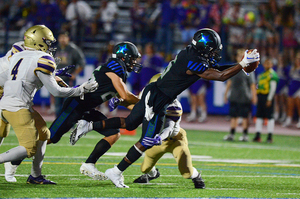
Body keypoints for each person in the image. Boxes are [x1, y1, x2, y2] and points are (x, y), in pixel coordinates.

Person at [71, 28, 260, 188]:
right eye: (211, 50)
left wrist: (240, 66)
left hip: (154, 91)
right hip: (159, 99)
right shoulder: (193, 61)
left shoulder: (193, 54)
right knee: (147, 140)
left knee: (129, 123)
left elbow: (217, 67)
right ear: (204, 49)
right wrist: (242, 64)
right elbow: (220, 76)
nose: (213, 54)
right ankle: (116, 170)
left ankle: (88, 126)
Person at [0, 25, 98, 183]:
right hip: (16, 106)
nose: (51, 46)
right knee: (28, 148)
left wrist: (52, 75)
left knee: (44, 133)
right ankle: (9, 165)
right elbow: (56, 92)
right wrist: (80, 90)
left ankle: (35, 176)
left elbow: (27, 76)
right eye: (47, 42)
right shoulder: (42, 59)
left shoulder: (18, 53)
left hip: (12, 100)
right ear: (38, 42)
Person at [47, 41, 141, 182]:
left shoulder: (118, 70)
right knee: (50, 137)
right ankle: (17, 158)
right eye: (133, 58)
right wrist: (146, 102)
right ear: (123, 57)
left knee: (113, 133)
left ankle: (89, 164)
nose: (134, 62)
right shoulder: (114, 66)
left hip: (87, 108)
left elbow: (125, 102)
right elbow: (125, 95)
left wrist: (145, 110)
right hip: (76, 105)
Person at [132, 73, 205, 189]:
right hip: (157, 139)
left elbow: (169, 128)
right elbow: (137, 103)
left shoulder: (173, 106)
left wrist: (159, 138)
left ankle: (196, 176)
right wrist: (121, 101)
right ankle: (154, 174)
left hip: (174, 139)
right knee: (144, 169)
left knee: (186, 171)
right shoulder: (148, 94)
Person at [223, 49, 257, 141]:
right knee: (233, 116)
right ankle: (232, 134)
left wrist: (254, 96)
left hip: (244, 96)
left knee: (245, 116)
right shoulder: (233, 67)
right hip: (234, 95)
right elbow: (229, 82)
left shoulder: (249, 69)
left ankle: (245, 134)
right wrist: (225, 94)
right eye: (239, 56)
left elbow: (252, 85)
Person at [49, 31, 86, 117]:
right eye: (61, 37)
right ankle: (58, 123)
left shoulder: (73, 49)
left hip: (68, 79)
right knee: (57, 102)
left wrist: (74, 74)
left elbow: (82, 63)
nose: (63, 39)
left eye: (64, 37)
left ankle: (68, 122)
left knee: (68, 102)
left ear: (68, 38)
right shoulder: (55, 49)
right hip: (56, 79)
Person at [252, 58, 278, 143]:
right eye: (266, 63)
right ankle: (258, 135)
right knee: (259, 115)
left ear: (272, 65)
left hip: (267, 96)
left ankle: (270, 136)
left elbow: (273, 88)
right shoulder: (261, 75)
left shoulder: (272, 75)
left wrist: (270, 99)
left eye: (269, 63)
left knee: (269, 116)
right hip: (260, 96)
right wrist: (256, 93)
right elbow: (257, 85)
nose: (267, 65)